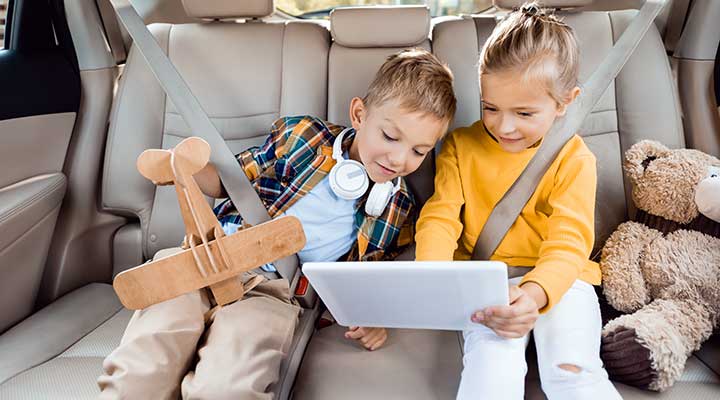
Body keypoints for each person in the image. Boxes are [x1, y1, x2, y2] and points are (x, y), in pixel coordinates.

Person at [98, 48, 456, 400]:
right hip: (204, 258)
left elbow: (372, 278)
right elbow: (233, 181)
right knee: (143, 367)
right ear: (359, 115)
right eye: (390, 137)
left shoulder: (398, 207)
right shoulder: (304, 137)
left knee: (229, 386)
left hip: (276, 293)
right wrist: (185, 169)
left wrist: (375, 317)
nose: (399, 158)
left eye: (419, 151)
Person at [414, 3, 621, 399]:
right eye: (491, 108)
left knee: (572, 370)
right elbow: (440, 219)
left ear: (565, 103)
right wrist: (436, 280)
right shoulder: (461, 146)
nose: (504, 126)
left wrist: (535, 294)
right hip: (485, 282)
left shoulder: (574, 160)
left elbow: (569, 244)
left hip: (561, 281)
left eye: (524, 112)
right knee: (491, 371)